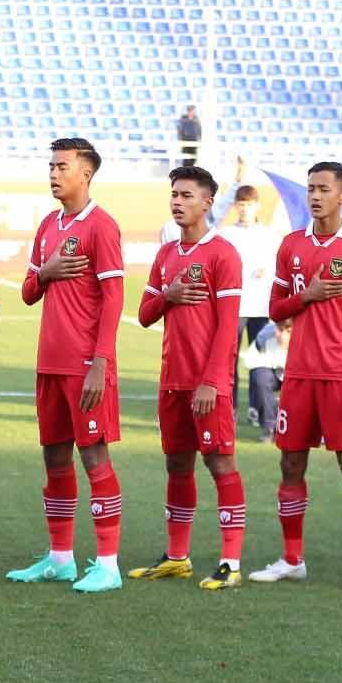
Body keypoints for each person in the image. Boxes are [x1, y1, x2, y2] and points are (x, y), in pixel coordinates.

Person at [251, 161, 342, 592]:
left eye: (323, 189)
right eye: (310, 188)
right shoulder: (291, 245)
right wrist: (305, 295)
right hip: (299, 374)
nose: (314, 195)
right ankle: (292, 559)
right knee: (290, 462)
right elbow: (274, 310)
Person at [6, 137, 127, 593]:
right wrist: (47, 271)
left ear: (86, 173)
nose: (54, 174)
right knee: (54, 457)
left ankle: (109, 564)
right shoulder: (48, 226)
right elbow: (29, 291)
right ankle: (60, 558)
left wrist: (100, 362)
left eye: (62, 166)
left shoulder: (101, 226)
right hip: (50, 362)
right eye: (51, 166)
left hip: (85, 364)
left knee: (94, 455)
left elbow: (113, 299)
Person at [130, 164, 247, 591]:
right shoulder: (165, 256)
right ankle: (177, 557)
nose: (178, 202)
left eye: (186, 195)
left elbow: (227, 325)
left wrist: (212, 382)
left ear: (207, 201)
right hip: (172, 380)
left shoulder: (223, 254)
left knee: (220, 463)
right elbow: (144, 315)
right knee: (177, 464)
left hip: (206, 383)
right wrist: (169, 294)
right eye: (174, 195)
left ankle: (230, 562)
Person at [218, 183, 276, 413]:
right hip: (233, 307)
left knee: (259, 361)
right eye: (240, 204)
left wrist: (267, 270)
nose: (244, 209)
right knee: (228, 360)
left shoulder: (270, 235)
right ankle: (228, 407)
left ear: (257, 206)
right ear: (235, 206)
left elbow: (279, 265)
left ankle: (257, 407)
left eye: (249, 205)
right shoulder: (225, 235)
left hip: (261, 307)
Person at [243, 321, 291, 442]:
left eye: (289, 331)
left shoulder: (305, 336)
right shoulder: (265, 336)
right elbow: (250, 361)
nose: (283, 336)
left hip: (295, 377)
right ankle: (269, 427)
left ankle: (298, 427)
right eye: (280, 329)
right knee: (260, 377)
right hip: (273, 373)